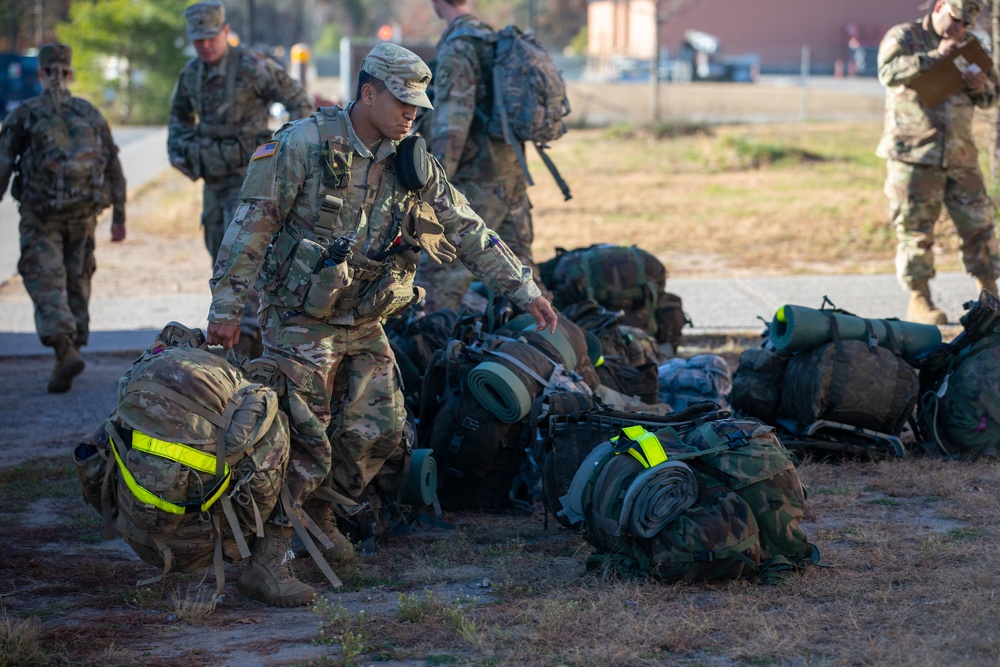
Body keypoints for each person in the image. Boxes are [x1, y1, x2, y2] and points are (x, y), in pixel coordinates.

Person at [204, 42, 558, 606]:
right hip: (301, 319)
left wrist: (523, 288)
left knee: (382, 430)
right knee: (302, 441)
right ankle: (265, 562)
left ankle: (318, 514)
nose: (411, 113)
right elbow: (249, 230)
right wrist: (226, 311)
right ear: (368, 92)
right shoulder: (302, 145)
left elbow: (464, 225)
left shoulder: (410, 160)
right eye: (401, 101)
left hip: (362, 317)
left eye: (418, 104)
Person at [168, 0, 313, 356]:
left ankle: (251, 338)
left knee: (247, 255)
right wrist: (183, 151)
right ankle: (239, 333)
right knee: (219, 255)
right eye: (198, 39)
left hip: (253, 181)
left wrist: (281, 150)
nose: (205, 45)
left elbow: (300, 103)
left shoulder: (254, 66)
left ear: (226, 32)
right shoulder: (190, 75)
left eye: (210, 37)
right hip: (214, 180)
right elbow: (177, 120)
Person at [0, 43, 126, 393]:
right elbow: (114, 168)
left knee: (46, 281)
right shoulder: (89, 113)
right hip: (84, 215)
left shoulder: (25, 114)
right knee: (77, 279)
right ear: (69, 73)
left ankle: (63, 348)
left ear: (41, 73)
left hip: (41, 217)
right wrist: (120, 217)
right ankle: (70, 351)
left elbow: (3, 164)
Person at [414, 0, 549, 312]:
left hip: (476, 182)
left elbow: (452, 128)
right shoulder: (495, 39)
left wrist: (432, 191)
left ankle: (430, 352)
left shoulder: (458, 49)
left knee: (439, 275)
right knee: (522, 274)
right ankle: (546, 346)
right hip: (512, 176)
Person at [876, 0, 1000, 324]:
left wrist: (980, 85)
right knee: (916, 231)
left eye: (965, 25)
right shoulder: (905, 37)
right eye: (956, 20)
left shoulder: (970, 47)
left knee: (980, 226)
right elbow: (887, 72)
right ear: (941, 6)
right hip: (915, 154)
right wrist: (935, 57)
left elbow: (991, 97)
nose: (959, 29)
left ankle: (989, 295)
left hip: (961, 156)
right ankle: (920, 300)